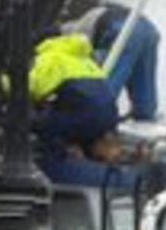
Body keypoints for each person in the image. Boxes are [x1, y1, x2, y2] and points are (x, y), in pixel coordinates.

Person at [28, 33, 120, 162]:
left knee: (41, 125)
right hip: (110, 117)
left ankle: (53, 162)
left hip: (85, 117)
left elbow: (32, 87)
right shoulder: (87, 61)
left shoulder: (51, 58)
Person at [62, 3, 160, 121]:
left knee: (112, 79)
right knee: (143, 77)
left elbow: (87, 59)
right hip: (149, 30)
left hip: (124, 31)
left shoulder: (79, 31)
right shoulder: (98, 12)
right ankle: (144, 114)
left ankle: (99, 118)